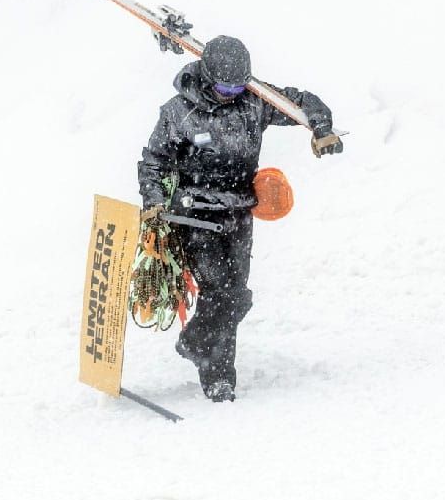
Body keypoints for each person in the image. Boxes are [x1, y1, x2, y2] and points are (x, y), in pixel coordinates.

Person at [137, 35, 342, 402]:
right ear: (206, 77)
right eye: (223, 87)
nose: (230, 94)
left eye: (237, 87)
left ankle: (205, 355)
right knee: (220, 293)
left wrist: (321, 128)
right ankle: (213, 371)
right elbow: (154, 162)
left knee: (235, 294)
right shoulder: (178, 112)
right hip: (195, 216)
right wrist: (153, 201)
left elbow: (299, 102)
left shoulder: (254, 102)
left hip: (239, 213)